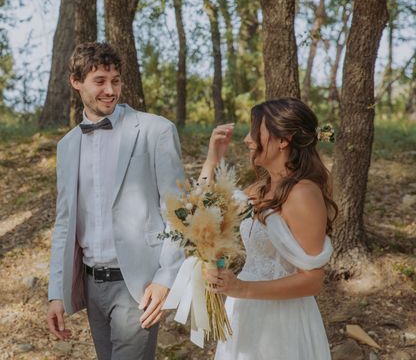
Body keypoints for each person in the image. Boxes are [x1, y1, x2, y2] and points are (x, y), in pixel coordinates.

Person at [47, 42, 186, 360]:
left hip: (137, 286)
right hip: (92, 286)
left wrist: (166, 279)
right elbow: (64, 223)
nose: (110, 90)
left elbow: (178, 212)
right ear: (76, 82)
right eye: (100, 81)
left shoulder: (156, 131)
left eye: (116, 80)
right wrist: (57, 293)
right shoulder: (67, 146)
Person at [200, 98, 337, 360]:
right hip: (244, 311)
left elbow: (313, 280)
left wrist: (242, 289)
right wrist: (211, 161)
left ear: (283, 140)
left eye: (255, 131)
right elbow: (204, 211)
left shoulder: (303, 194)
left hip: (281, 323)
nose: (248, 140)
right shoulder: (259, 190)